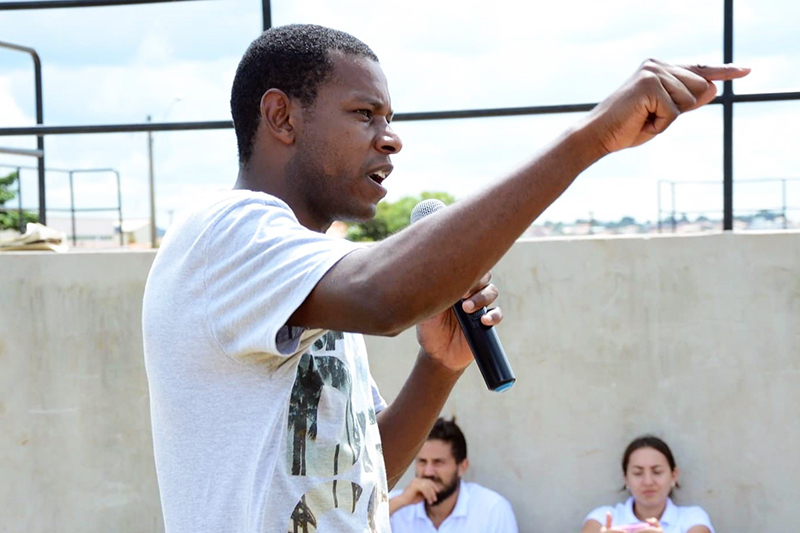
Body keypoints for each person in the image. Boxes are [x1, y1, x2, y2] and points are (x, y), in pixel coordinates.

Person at [141, 23, 749, 533]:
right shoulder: (225, 234)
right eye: (364, 114)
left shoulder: (305, 272)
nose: (391, 137)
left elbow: (361, 472)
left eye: (389, 116)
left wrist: (439, 366)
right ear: (281, 116)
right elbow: (383, 296)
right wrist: (589, 139)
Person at [389, 417, 518, 532]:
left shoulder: (492, 510)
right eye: (422, 462)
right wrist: (401, 501)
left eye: (438, 462)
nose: (428, 472)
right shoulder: (393, 507)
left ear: (462, 467)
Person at [580, 435, 715, 533]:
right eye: (638, 473)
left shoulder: (692, 518)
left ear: (674, 475)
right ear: (626, 478)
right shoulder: (602, 518)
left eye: (657, 472)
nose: (648, 482)